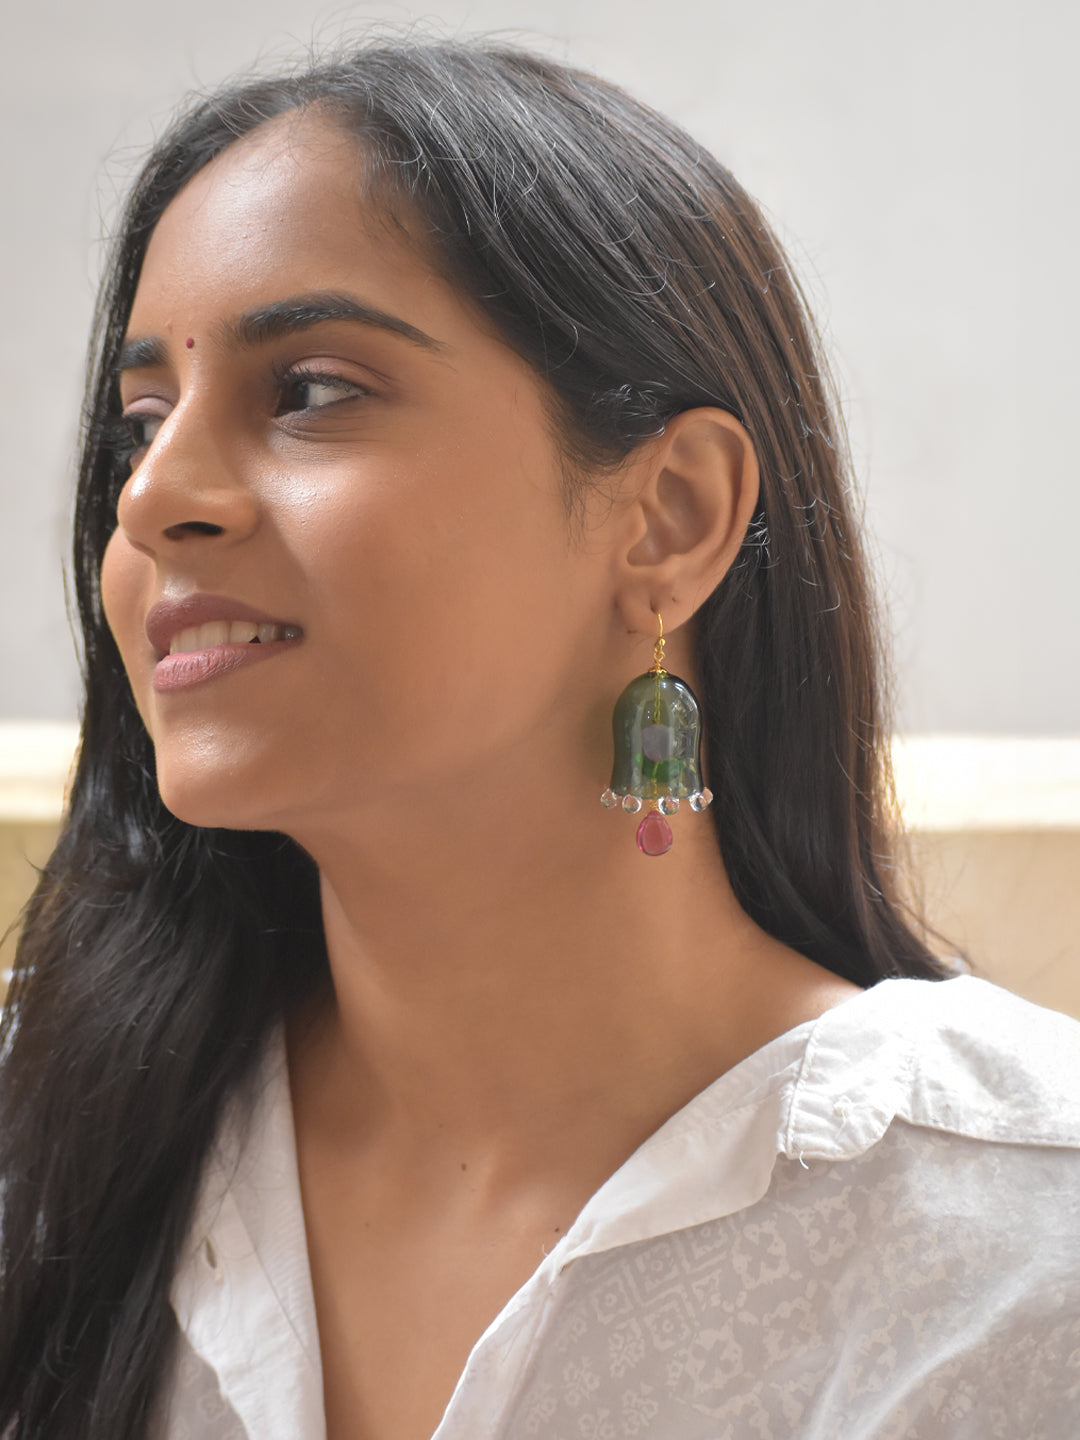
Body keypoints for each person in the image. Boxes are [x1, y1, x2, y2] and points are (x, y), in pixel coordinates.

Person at [1, 36, 1078, 1440]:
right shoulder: (44, 1155)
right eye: (141, 423)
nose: (153, 501)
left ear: (671, 515)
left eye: (312, 390)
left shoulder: (1021, 1252)